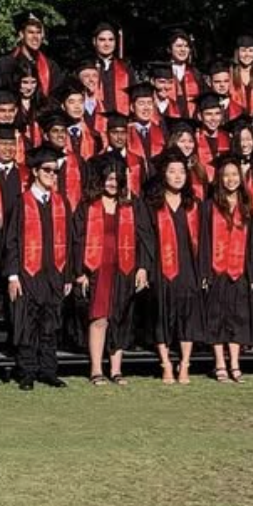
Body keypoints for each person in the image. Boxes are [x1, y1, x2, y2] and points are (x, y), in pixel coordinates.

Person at [4, 143, 71, 390]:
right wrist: (12, 276)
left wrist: (67, 276)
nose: (52, 175)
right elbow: (10, 241)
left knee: (50, 325)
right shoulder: (21, 203)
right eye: (47, 170)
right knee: (27, 324)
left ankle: (48, 371)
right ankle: (27, 372)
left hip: (54, 273)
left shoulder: (61, 203)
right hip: (27, 274)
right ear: (34, 171)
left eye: (55, 171)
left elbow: (70, 242)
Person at [71, 153, 141, 387]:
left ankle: (117, 369)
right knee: (99, 318)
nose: (113, 183)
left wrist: (142, 268)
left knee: (120, 318)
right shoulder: (88, 206)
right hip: (97, 270)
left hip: (124, 268)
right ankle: (96, 369)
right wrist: (80, 271)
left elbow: (145, 238)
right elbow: (77, 239)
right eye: (109, 178)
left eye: (117, 179)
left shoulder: (131, 205)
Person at [141, 147, 201, 384]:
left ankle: (185, 364)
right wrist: (144, 268)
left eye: (182, 172)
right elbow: (144, 238)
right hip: (161, 267)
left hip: (188, 266)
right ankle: (165, 364)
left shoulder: (193, 204)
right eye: (172, 171)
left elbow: (203, 240)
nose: (177, 176)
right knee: (161, 315)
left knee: (188, 315)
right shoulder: (152, 204)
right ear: (163, 174)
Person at [200, 153, 253, 382]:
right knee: (216, 317)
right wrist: (205, 271)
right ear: (220, 179)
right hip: (217, 270)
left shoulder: (248, 207)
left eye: (235, 175)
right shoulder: (209, 207)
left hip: (240, 270)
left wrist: (252, 273)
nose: (231, 179)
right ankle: (220, 364)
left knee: (238, 317)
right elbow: (203, 240)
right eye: (226, 175)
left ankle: (235, 364)